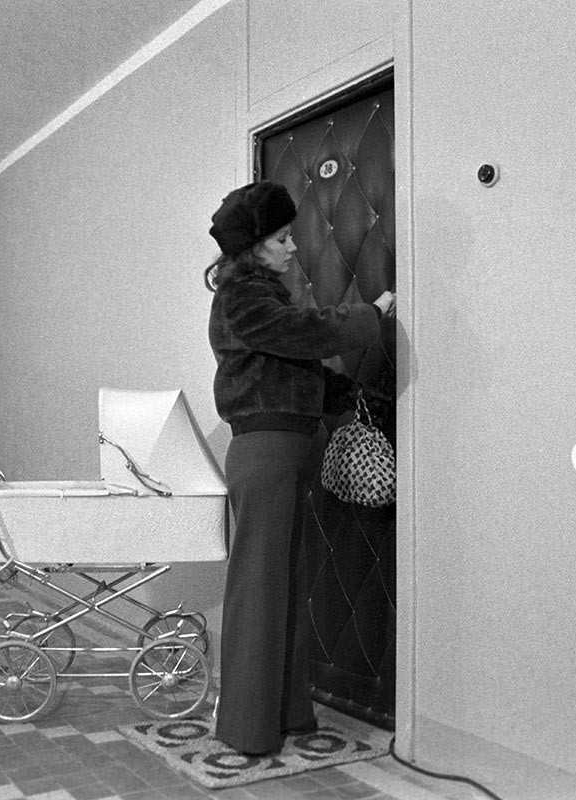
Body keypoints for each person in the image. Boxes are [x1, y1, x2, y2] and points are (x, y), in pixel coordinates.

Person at [204, 181, 395, 755]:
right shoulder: (242, 299)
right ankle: (245, 727)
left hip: (283, 451)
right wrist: (372, 314)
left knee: (284, 585)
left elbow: (297, 364)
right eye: (282, 238)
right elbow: (304, 337)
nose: (293, 248)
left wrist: (358, 398)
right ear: (254, 247)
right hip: (264, 453)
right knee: (259, 587)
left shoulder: (264, 299)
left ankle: (284, 715)